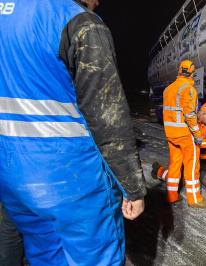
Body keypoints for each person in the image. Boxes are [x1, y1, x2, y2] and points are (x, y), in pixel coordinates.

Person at [0, 0, 146, 265]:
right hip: (73, 181)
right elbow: (108, 117)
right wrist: (132, 188)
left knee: (45, 255)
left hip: (13, 176)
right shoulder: (79, 22)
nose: (97, 3)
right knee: (97, 257)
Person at [158, 60, 206, 208]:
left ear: (179, 71)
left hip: (170, 134)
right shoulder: (189, 89)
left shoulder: (167, 89)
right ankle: (194, 199)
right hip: (185, 134)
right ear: (193, 73)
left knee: (175, 164)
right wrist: (197, 135)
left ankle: (171, 195)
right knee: (192, 165)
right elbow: (189, 115)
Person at [153, 103, 206, 185]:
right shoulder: (190, 123)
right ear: (204, 114)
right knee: (179, 179)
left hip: (198, 151)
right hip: (185, 153)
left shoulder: (205, 126)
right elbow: (194, 142)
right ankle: (158, 171)